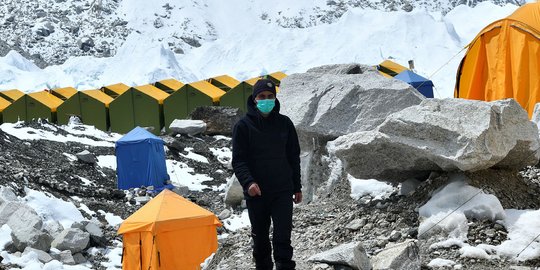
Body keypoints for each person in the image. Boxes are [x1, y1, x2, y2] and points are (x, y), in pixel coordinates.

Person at [232, 78, 302, 270]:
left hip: (282, 190)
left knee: (283, 237)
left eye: (270, 96)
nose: (266, 100)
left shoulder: (285, 123)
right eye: (262, 96)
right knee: (260, 238)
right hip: (257, 193)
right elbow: (238, 160)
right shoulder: (243, 126)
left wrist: (297, 186)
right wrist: (249, 183)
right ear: (254, 99)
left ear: (275, 98)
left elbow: (293, 157)